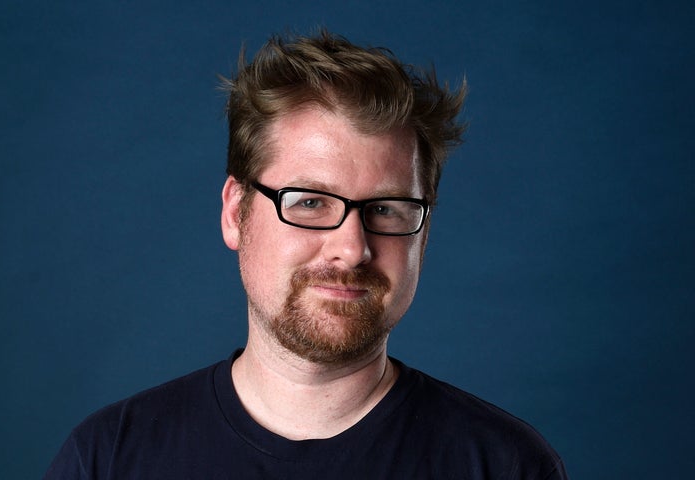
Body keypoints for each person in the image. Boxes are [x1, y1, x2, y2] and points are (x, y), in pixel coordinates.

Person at [44, 29, 568, 479]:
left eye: (386, 209)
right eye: (310, 202)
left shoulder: (504, 466)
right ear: (236, 212)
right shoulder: (108, 458)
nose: (352, 248)